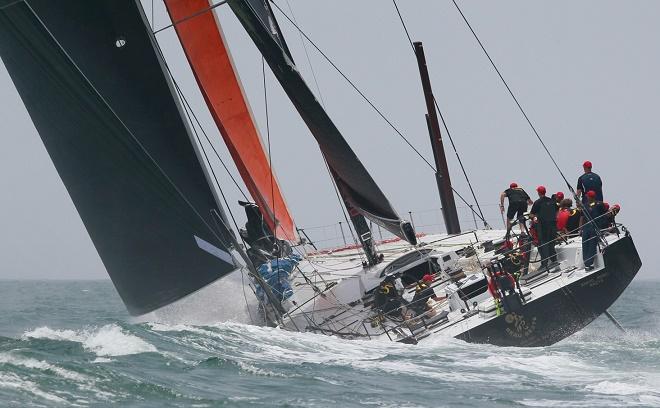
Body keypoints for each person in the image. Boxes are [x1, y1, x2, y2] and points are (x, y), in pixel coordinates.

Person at [530, 186, 559, 271]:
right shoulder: (552, 201)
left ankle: (544, 264)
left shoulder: (537, 202)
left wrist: (534, 218)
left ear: (538, 193)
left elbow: (531, 214)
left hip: (543, 227)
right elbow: (557, 211)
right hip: (553, 226)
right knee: (551, 244)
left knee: (543, 245)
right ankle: (554, 260)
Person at [580, 190, 607, 271]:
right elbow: (582, 217)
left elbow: (603, 215)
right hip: (586, 227)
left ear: (590, 197)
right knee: (585, 245)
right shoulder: (585, 206)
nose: (587, 197)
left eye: (588, 196)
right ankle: (586, 263)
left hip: (594, 227)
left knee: (592, 245)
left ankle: (590, 263)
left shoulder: (599, 204)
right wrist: (581, 228)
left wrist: (602, 226)